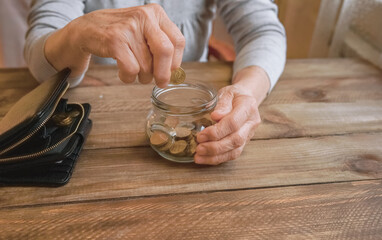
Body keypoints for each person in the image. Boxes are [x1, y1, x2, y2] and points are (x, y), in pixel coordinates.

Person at [25, 0, 286, 165]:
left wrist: (246, 90)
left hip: (199, 102)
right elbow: (40, 60)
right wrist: (76, 34)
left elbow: (262, 30)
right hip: (91, 127)